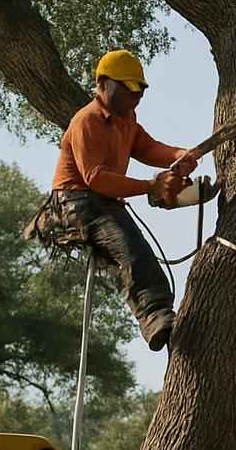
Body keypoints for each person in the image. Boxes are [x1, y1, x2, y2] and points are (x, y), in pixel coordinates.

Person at [43, 50, 198, 351]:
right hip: (75, 202)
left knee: (136, 245)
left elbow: (146, 147)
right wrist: (151, 186)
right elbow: (96, 177)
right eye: (127, 89)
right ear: (103, 84)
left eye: (139, 90)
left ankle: (158, 310)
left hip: (103, 200)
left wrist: (178, 155)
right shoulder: (87, 121)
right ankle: (153, 314)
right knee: (130, 246)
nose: (135, 96)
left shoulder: (127, 118)